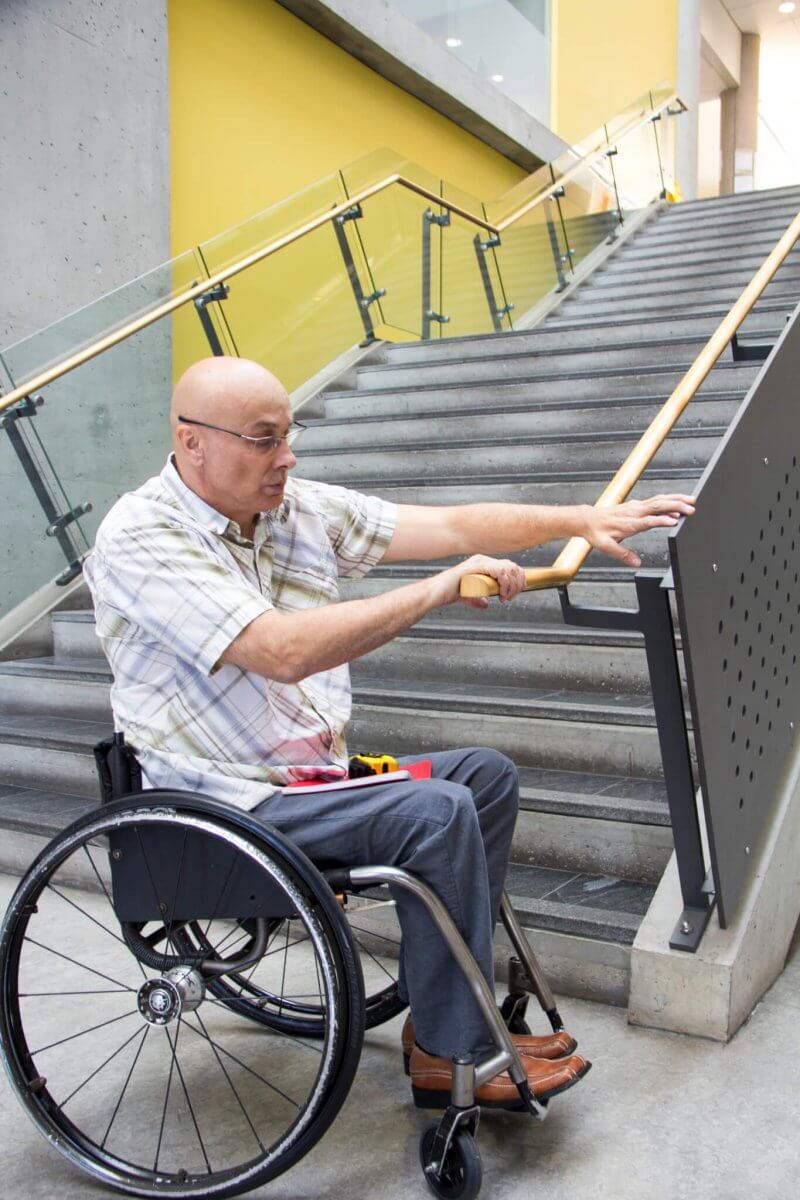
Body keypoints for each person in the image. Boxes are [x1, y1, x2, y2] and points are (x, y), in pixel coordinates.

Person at [84, 356, 695, 1109]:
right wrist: (439, 589)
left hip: (309, 781)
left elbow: (448, 525)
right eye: (264, 439)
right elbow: (282, 650)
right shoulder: (142, 534)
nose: (288, 456)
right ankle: (454, 1052)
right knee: (430, 811)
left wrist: (580, 520)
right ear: (192, 441)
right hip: (223, 803)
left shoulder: (294, 510)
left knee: (480, 776)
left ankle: (441, 1014)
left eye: (289, 434)